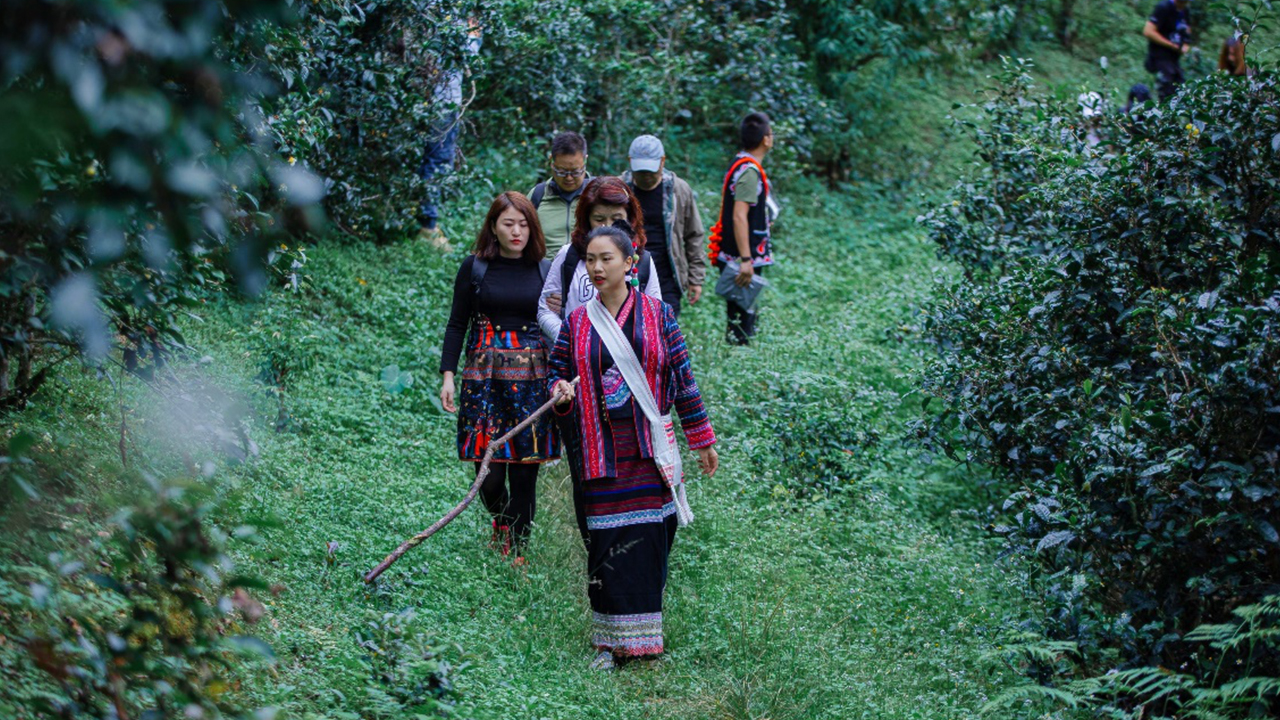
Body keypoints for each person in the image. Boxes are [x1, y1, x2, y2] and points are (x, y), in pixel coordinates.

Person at [547, 223, 719, 670]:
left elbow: (682, 379)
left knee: (652, 540)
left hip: (649, 449)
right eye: (590, 260)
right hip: (600, 451)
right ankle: (608, 643)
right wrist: (560, 391)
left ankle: (645, 636)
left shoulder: (659, 315)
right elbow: (556, 373)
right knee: (607, 544)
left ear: (630, 263)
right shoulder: (578, 321)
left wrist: (701, 439)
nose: (598, 267)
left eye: (607, 258)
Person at [439, 191, 557, 564]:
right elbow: (457, 324)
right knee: (488, 475)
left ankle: (518, 556)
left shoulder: (546, 269)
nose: (516, 231)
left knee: (525, 473)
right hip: (483, 380)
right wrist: (448, 375)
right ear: (493, 226)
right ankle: (503, 523)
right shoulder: (474, 268)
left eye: (524, 224)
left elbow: (560, 326)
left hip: (532, 382)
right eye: (508, 224)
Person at [538, 177, 663, 344]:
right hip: (576, 361)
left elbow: (656, 315)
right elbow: (545, 309)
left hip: (627, 361)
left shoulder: (641, 260)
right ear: (587, 219)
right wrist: (571, 340)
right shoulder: (569, 255)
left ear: (630, 218)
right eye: (599, 219)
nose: (608, 227)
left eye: (617, 218)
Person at [707, 112, 776, 345]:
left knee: (742, 314)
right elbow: (739, 216)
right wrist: (746, 259)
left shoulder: (742, 164)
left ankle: (739, 354)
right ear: (765, 139)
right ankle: (739, 357)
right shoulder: (749, 171)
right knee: (742, 317)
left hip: (739, 255)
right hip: (742, 259)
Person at [621, 134, 708, 318]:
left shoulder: (678, 190)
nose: (646, 177)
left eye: (650, 171)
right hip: (626, 274)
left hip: (667, 275)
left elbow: (694, 234)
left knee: (665, 329)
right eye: (641, 171)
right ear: (630, 162)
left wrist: (696, 278)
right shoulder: (619, 189)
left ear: (662, 162)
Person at [417, 18, 483, 249]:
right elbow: (467, 55)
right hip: (441, 102)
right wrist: (475, 34)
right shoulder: (448, 15)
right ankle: (428, 226)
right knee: (436, 162)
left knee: (437, 161)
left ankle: (428, 223)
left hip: (443, 101)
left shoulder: (446, 13)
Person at [528, 132, 591, 256]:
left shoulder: (598, 194)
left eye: (575, 172)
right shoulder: (537, 196)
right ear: (551, 161)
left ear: (585, 161)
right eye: (561, 171)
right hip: (546, 271)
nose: (568, 178)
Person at [1143, 0, 1193, 102]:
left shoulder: (1185, 10)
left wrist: (1185, 45)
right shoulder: (1164, 7)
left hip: (1174, 58)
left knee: (1180, 89)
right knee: (1166, 91)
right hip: (1160, 56)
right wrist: (1170, 44)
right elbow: (1148, 31)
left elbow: (1187, 29)